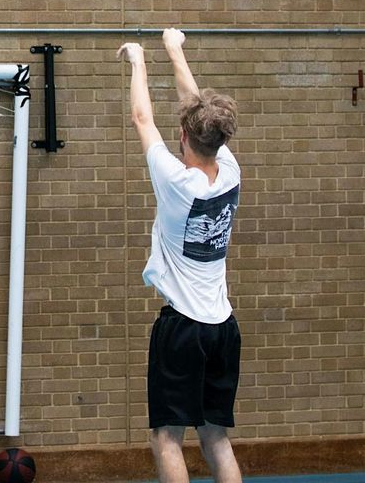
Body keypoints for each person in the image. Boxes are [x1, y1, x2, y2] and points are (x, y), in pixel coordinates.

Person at [117, 29, 243, 483]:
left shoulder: (176, 182)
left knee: (166, 438)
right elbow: (197, 109)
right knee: (215, 437)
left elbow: (140, 118)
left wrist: (139, 61)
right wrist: (175, 50)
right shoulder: (229, 171)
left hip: (183, 329)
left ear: (184, 136)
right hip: (223, 327)